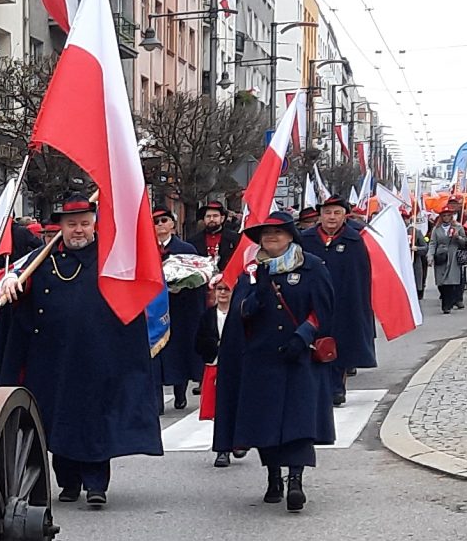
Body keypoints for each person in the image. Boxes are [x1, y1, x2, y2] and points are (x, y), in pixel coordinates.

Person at [0, 192, 163, 508]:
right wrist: (12, 281)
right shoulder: (43, 259)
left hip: (99, 355)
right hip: (52, 358)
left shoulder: (112, 258)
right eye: (72, 224)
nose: (78, 230)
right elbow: (18, 283)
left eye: (84, 223)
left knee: (95, 420)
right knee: (58, 419)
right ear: (62, 227)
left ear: (94, 224)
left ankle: (96, 484)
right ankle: (68, 482)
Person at [211, 212, 337, 513]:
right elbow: (241, 312)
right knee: (265, 424)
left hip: (299, 356)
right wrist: (259, 293)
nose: (271, 238)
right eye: (266, 234)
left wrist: (303, 335)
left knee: (298, 422)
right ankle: (273, 477)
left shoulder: (312, 267)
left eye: (278, 233)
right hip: (262, 360)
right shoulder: (253, 272)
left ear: (291, 236)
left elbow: (323, 309)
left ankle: (296, 480)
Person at [298, 195, 375, 406]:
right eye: (327, 213)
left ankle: (336, 389)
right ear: (320, 215)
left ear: (344, 216)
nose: (331, 217)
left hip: (342, 302)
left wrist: (357, 306)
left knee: (338, 346)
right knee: (312, 344)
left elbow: (360, 277)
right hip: (311, 301)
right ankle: (314, 388)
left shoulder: (354, 240)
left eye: (336, 213)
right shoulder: (306, 239)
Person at [151, 208, 207, 411]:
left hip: (180, 309)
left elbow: (199, 276)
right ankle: (156, 400)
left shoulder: (186, 249)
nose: (160, 225)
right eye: (155, 221)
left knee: (179, 351)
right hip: (154, 311)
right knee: (155, 354)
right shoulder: (145, 248)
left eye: (164, 220)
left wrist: (182, 285)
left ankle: (180, 392)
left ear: (172, 224)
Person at [429, 211, 467, 313]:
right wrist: (430, 256)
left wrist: (457, 237)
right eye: (444, 216)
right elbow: (433, 243)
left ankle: (447, 306)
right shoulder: (436, 229)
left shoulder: (458, 227)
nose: (446, 217)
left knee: (451, 282)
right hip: (441, 257)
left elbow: (465, 242)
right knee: (441, 282)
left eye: (448, 215)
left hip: (453, 257)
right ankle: (445, 299)